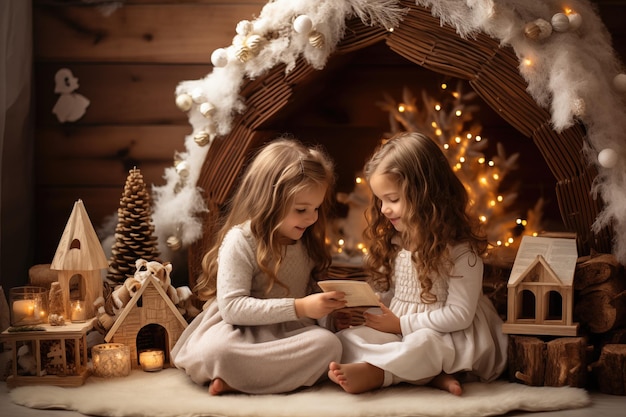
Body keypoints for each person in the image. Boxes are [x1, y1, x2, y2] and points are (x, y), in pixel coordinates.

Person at [328, 132, 508, 395]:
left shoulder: (460, 251)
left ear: (426, 194)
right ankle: (430, 376)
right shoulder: (398, 240)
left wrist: (401, 326)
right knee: (347, 339)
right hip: (401, 329)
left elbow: (458, 316)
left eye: (393, 199)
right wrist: (365, 306)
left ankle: (381, 374)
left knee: (424, 344)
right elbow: (394, 295)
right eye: (380, 200)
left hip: (448, 334)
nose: (384, 209)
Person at [171, 138, 347, 395]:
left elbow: (312, 305)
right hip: (237, 333)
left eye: (316, 208)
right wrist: (300, 306)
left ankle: (237, 381)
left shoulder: (306, 245)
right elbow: (232, 309)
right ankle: (250, 377)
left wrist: (329, 315)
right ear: (270, 201)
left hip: (287, 336)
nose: (311, 218)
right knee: (215, 352)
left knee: (329, 345)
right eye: (301, 209)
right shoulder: (241, 240)